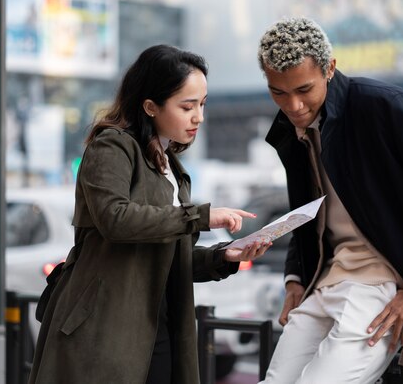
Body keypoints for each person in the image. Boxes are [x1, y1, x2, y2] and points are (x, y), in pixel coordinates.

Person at [256, 17, 403, 384]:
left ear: (330, 68)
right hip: (328, 282)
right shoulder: (294, 129)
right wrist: (296, 276)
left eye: (304, 89)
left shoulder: (381, 106)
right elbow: (309, 212)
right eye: (278, 93)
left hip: (383, 284)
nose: (294, 105)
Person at [28, 44, 271, 384]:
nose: (198, 117)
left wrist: (224, 257)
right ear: (150, 107)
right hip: (106, 326)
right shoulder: (112, 147)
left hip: (162, 322)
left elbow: (164, 256)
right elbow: (116, 218)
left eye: (202, 105)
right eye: (187, 106)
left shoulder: (171, 166)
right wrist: (200, 217)